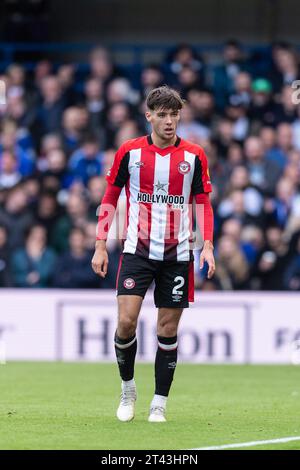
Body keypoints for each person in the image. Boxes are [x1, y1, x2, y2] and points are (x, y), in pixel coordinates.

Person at [91, 86, 215, 423]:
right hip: (137, 250)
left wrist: (208, 244)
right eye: (162, 115)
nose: (169, 121)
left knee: (167, 329)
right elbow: (110, 197)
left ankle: (159, 402)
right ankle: (128, 388)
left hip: (178, 254)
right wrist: (101, 244)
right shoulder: (130, 153)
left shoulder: (194, 156)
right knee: (126, 322)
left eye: (174, 114)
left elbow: (202, 202)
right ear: (149, 116)